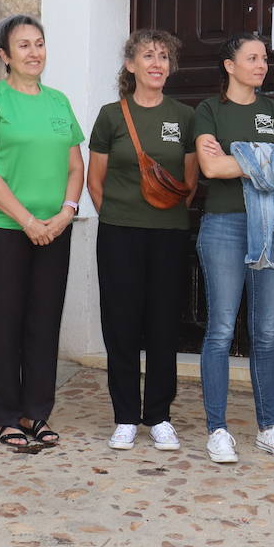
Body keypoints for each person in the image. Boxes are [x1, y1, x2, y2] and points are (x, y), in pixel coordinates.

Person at [0, 14, 85, 448]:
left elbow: (75, 165)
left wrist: (67, 211)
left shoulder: (58, 102)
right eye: (23, 46)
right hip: (4, 228)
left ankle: (37, 414)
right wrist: (27, 220)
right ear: (4, 56)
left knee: (43, 323)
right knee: (5, 322)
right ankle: (7, 416)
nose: (35, 53)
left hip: (54, 228)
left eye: (39, 43)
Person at [194, 33, 274, 464]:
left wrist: (239, 157)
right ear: (230, 65)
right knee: (221, 331)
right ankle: (217, 430)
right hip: (223, 226)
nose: (262, 65)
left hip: (273, 227)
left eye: (265, 58)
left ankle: (268, 428)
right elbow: (209, 166)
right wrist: (266, 159)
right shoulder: (209, 109)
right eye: (253, 57)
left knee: (265, 333)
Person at [88, 30, 197, 452]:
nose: (157, 63)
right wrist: (119, 216)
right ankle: (126, 416)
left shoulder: (184, 117)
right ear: (130, 65)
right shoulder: (111, 115)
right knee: (121, 324)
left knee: (163, 324)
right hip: (119, 233)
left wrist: (159, 212)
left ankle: (159, 415)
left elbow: (189, 182)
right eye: (148, 56)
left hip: (169, 234)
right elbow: (95, 182)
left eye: (165, 57)